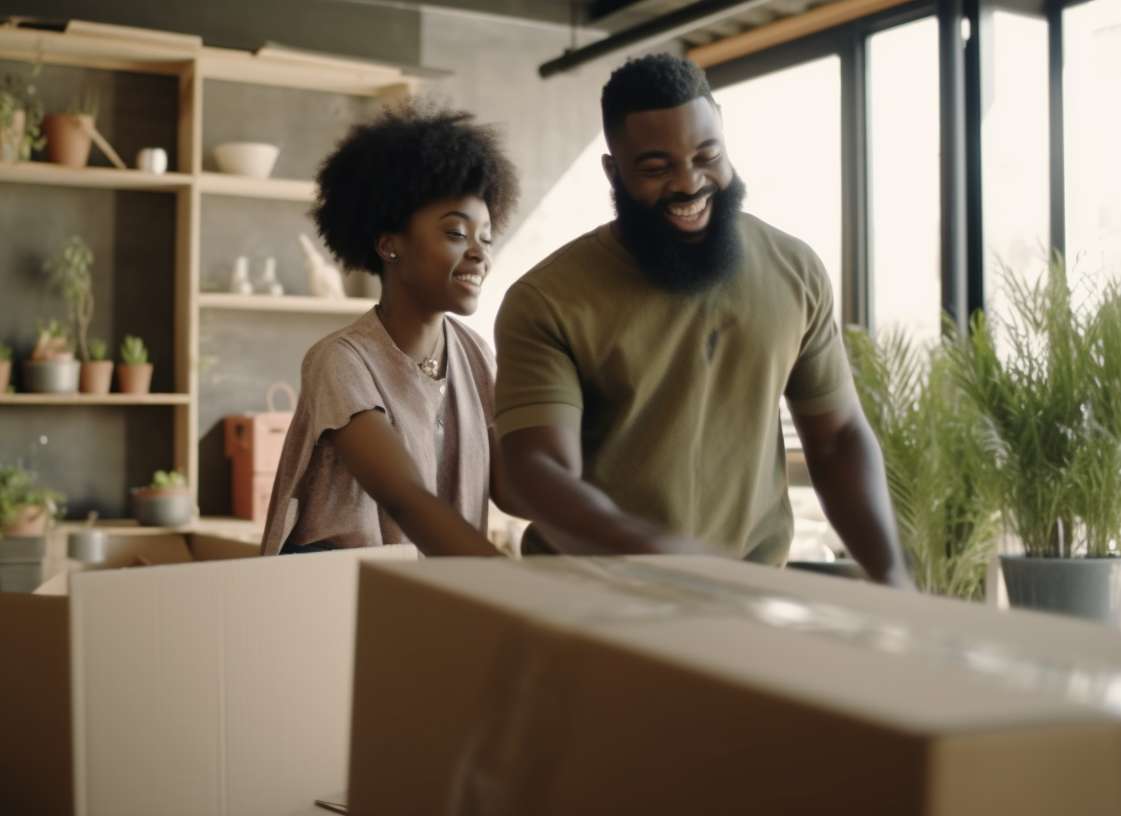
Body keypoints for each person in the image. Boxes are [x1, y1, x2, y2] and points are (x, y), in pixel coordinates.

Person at [493, 54, 913, 587]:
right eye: (656, 167)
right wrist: (661, 554)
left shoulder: (794, 270)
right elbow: (538, 475)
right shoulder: (546, 300)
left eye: (706, 155)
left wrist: (892, 574)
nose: (689, 183)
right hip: (590, 604)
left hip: (748, 599)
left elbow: (837, 440)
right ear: (613, 171)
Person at [260, 100, 522, 558]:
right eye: (457, 234)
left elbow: (513, 490)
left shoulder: (476, 355)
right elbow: (407, 499)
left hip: (436, 604)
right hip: (341, 612)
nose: (480, 253)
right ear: (388, 245)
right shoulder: (341, 361)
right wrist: (508, 581)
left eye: (486, 237)